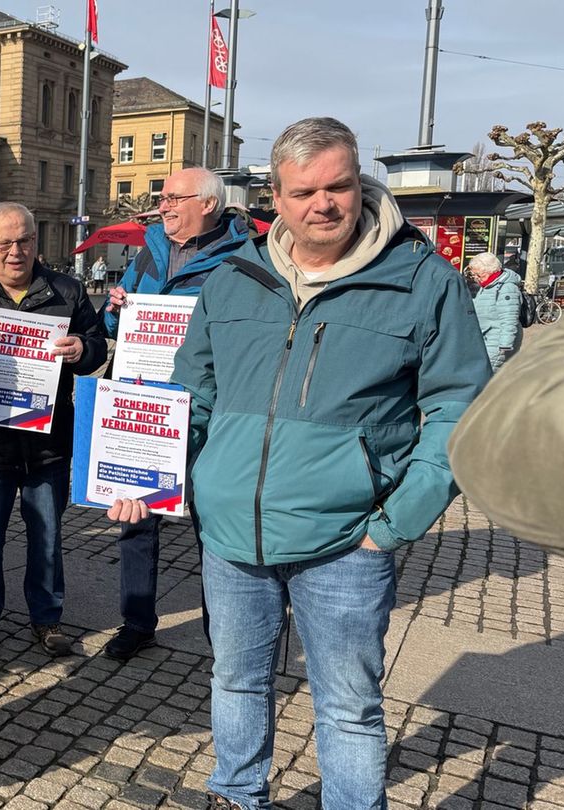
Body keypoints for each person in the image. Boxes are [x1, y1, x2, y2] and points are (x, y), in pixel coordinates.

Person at [116, 117, 489, 809]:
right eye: (303, 191)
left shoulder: (423, 282)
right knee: (235, 680)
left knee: (347, 707)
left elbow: (459, 411)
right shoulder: (234, 279)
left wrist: (395, 521)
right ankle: (237, 793)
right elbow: (190, 393)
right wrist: (147, 478)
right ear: (275, 200)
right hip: (230, 534)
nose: (324, 204)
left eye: (338, 186)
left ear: (359, 183)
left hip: (346, 540)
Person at [0, 202, 107, 656]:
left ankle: (47, 619)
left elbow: (95, 349)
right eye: (5, 242)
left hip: (47, 446)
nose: (16, 251)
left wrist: (81, 351)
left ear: (36, 242)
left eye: (25, 241)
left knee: (47, 540)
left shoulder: (67, 292)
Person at [97, 167, 252, 661]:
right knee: (136, 520)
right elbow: (110, 318)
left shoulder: (242, 259)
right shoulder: (148, 251)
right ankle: (137, 622)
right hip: (142, 403)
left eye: (171, 198)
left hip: (206, 408)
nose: (161, 206)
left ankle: (222, 635)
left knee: (214, 525)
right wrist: (115, 306)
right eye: (162, 198)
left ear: (207, 204)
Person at [449, 319, 564, 550]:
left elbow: (508, 318)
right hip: (482, 346)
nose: (480, 278)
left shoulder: (506, 285)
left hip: (492, 350)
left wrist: (501, 347)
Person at [464, 252, 524, 372]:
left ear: (489, 271)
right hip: (487, 338)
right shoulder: (488, 285)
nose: (476, 278)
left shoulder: (506, 288)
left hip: (498, 343)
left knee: (487, 375)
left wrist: (505, 345)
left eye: (478, 274)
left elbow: (509, 319)